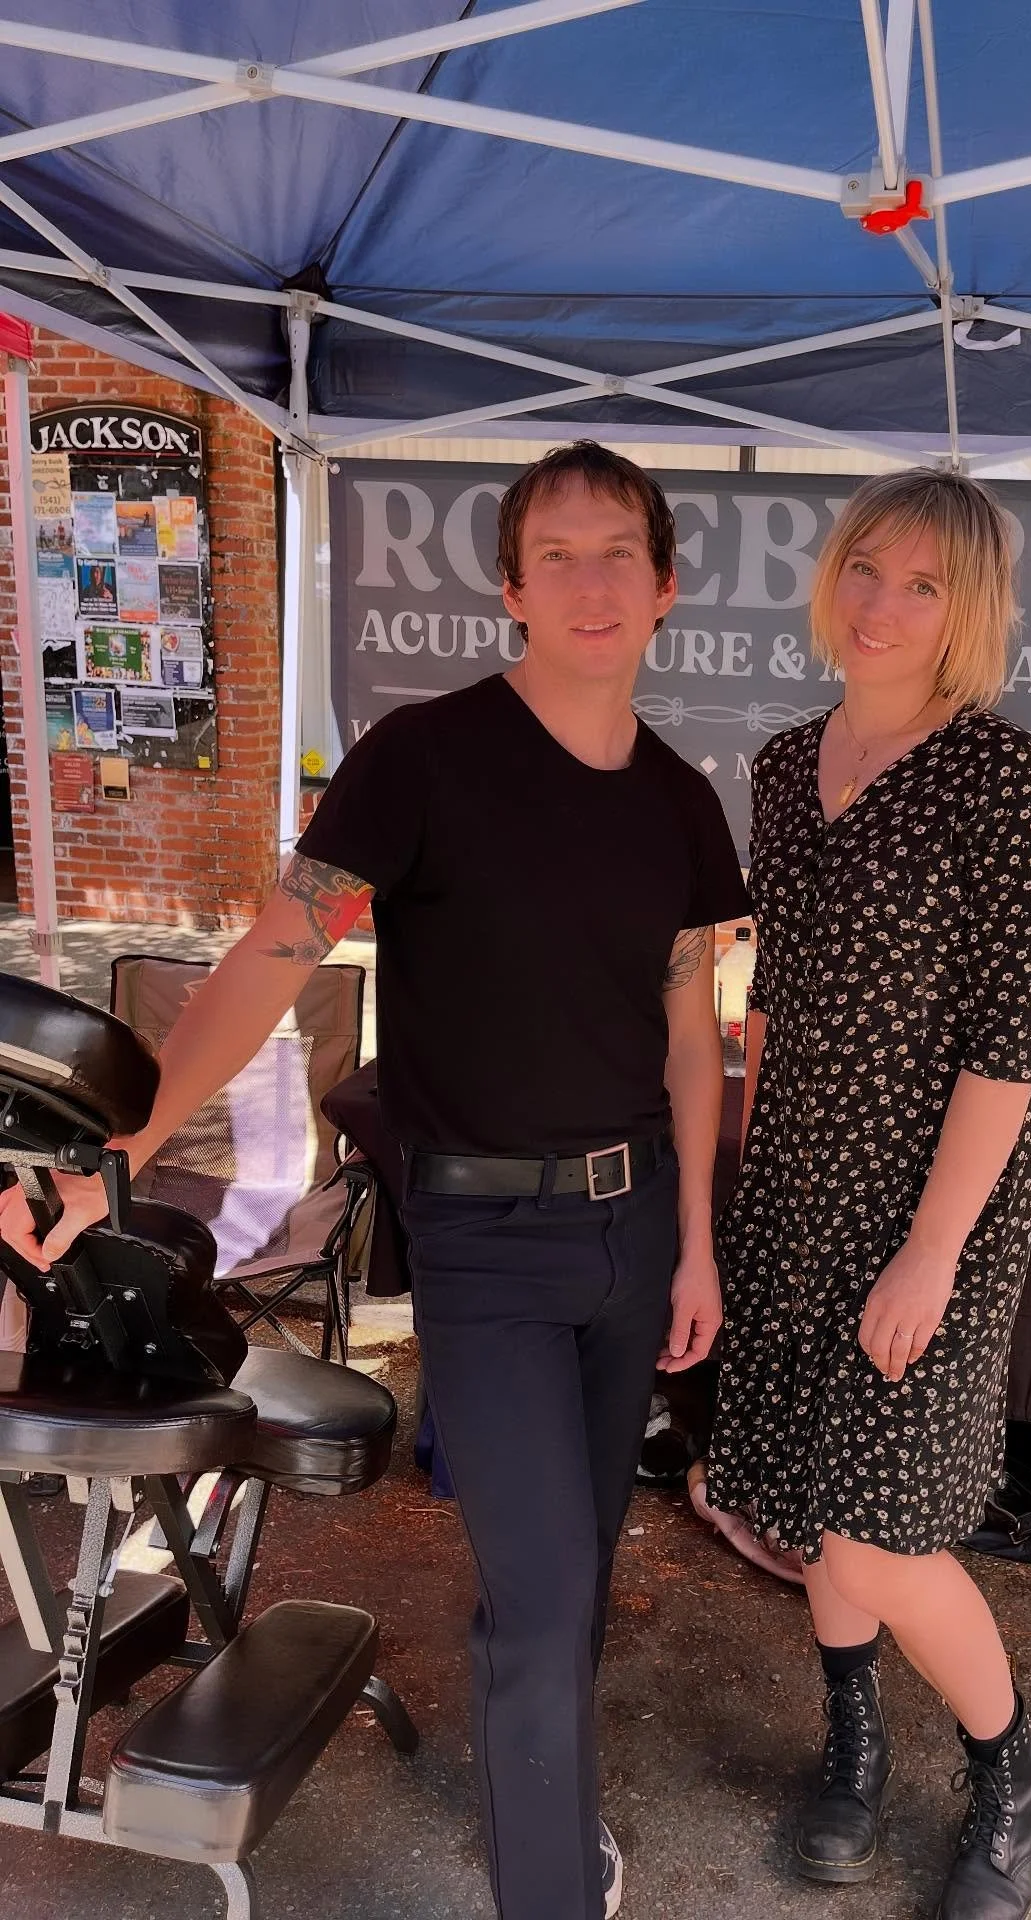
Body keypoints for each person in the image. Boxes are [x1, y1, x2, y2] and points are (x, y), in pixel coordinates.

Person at [0, 441, 749, 1920]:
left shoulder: (679, 802)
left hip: (637, 1222)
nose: (590, 583)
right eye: (558, 554)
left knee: (569, 1576)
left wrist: (699, 1248)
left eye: (619, 554)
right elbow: (269, 966)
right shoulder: (424, 759)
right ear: (510, 588)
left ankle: (540, 1786)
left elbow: (689, 1034)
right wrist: (123, 1151)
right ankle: (548, 1880)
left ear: (667, 586)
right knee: (544, 1595)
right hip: (486, 1238)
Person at [706, 469, 1031, 1919]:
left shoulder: (999, 778)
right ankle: (851, 1746)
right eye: (868, 567)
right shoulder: (788, 766)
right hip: (796, 1173)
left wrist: (928, 1253)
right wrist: (743, 1170)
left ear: (967, 610)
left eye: (924, 584)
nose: (883, 604)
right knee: (812, 1491)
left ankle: (1012, 1770)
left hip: (939, 1206)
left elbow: (1007, 1045)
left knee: (883, 1526)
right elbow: (772, 999)